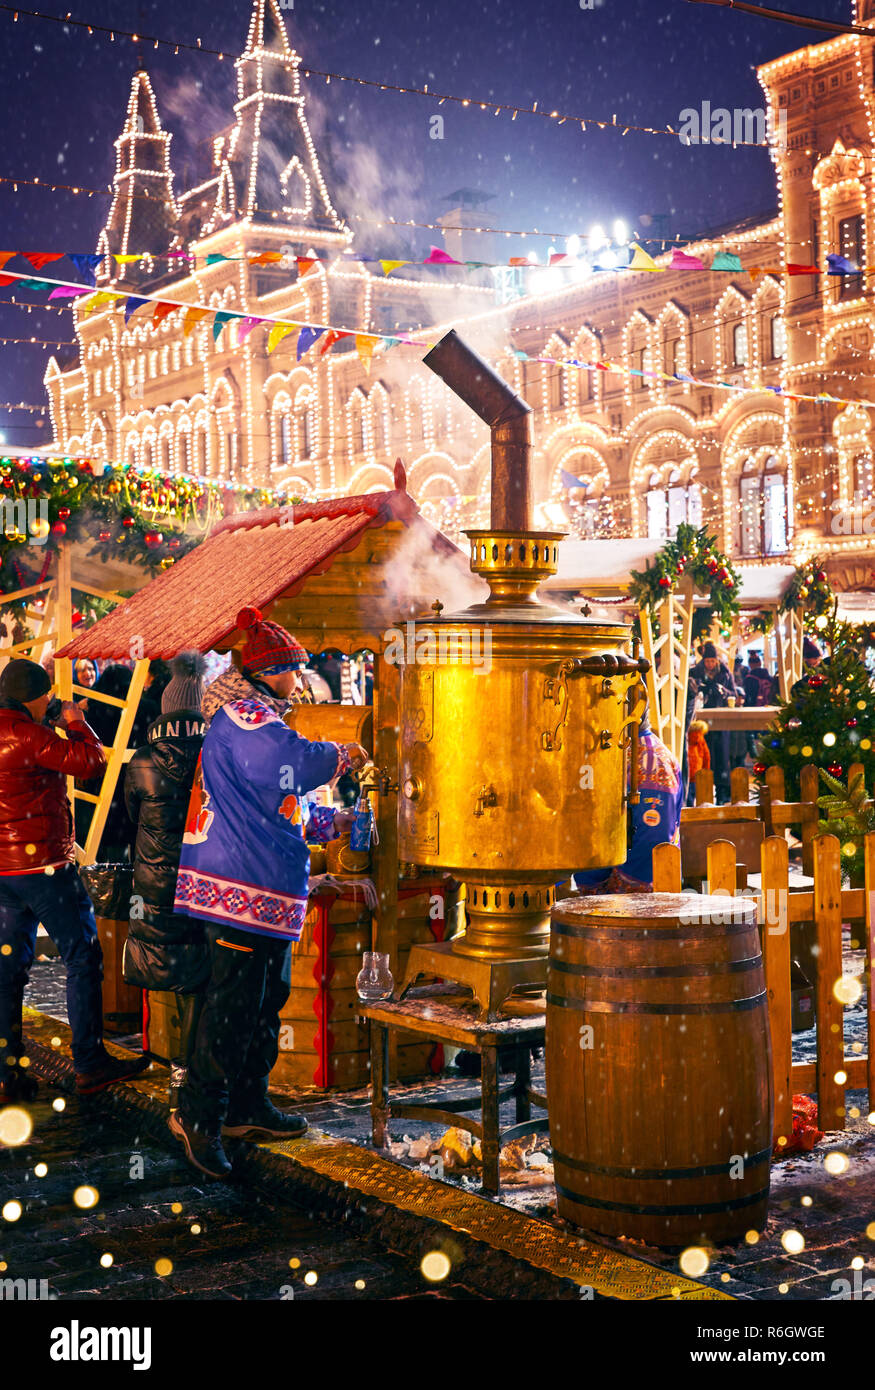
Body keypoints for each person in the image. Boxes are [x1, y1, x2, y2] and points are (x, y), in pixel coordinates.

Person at [169, 606, 370, 1179]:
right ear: (270, 670)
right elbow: (287, 763)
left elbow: (280, 794)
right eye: (293, 668)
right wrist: (340, 754)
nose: (300, 678)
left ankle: (246, 1106)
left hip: (262, 887)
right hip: (237, 882)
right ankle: (199, 1115)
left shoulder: (255, 712)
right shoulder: (247, 717)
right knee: (229, 1008)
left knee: (262, 1001)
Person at [0, 658, 150, 1101]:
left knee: (8, 972)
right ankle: (89, 1062)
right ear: (35, 696)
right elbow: (90, 762)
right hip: (45, 867)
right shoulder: (28, 734)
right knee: (83, 958)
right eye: (46, 695)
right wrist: (76, 722)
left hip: (4, 873)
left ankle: (7, 1074)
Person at [123, 653, 210, 1106]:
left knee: (177, 968)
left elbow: (129, 817)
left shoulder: (141, 760)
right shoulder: (214, 756)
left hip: (154, 886)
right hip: (202, 882)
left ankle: (171, 1061)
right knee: (199, 974)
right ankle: (187, 1070)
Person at [574, 704, 684, 893]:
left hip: (638, 904)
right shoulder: (614, 749)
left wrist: (609, 890)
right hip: (607, 897)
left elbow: (652, 840)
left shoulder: (651, 761)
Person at [689, 641, 737, 802]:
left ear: (717, 660)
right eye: (707, 661)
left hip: (721, 720)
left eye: (712, 661)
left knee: (722, 757)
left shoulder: (725, 673)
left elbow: (734, 695)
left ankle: (723, 793)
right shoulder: (695, 672)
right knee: (701, 757)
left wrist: (723, 692)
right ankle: (702, 793)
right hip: (700, 721)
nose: (710, 664)